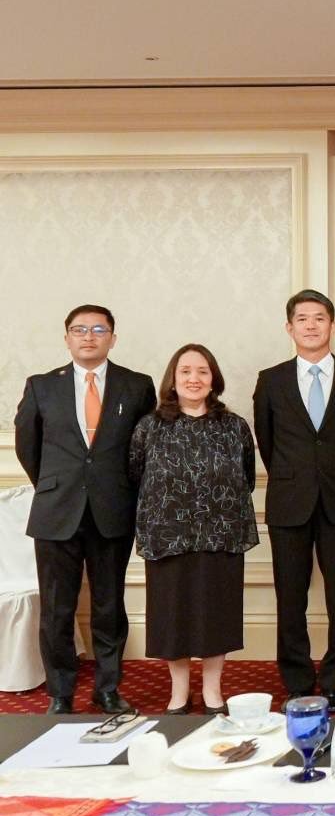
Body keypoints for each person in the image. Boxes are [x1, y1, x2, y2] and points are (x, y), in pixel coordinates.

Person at [15, 304, 156, 714]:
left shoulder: (136, 386)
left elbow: (144, 449)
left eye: (98, 329)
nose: (88, 336)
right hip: (56, 511)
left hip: (113, 509)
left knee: (109, 605)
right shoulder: (42, 386)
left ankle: (107, 688)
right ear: (67, 338)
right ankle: (60, 693)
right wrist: (56, 485)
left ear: (113, 337)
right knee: (57, 609)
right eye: (80, 330)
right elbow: (28, 446)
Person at [253, 289, 335, 702]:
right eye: (302, 319)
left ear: (332, 326)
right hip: (289, 502)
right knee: (291, 597)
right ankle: (297, 680)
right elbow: (267, 442)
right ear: (289, 328)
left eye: (319, 318)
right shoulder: (271, 381)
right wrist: (296, 477)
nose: (311, 325)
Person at [129, 344, 257, 714]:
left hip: (221, 534)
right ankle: (179, 692)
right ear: (173, 379)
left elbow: (246, 478)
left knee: (217, 616)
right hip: (167, 535)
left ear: (214, 379)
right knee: (173, 617)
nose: (194, 379)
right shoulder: (150, 426)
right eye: (185, 371)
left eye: (202, 371)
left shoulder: (234, 427)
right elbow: (135, 474)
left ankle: (213, 691)